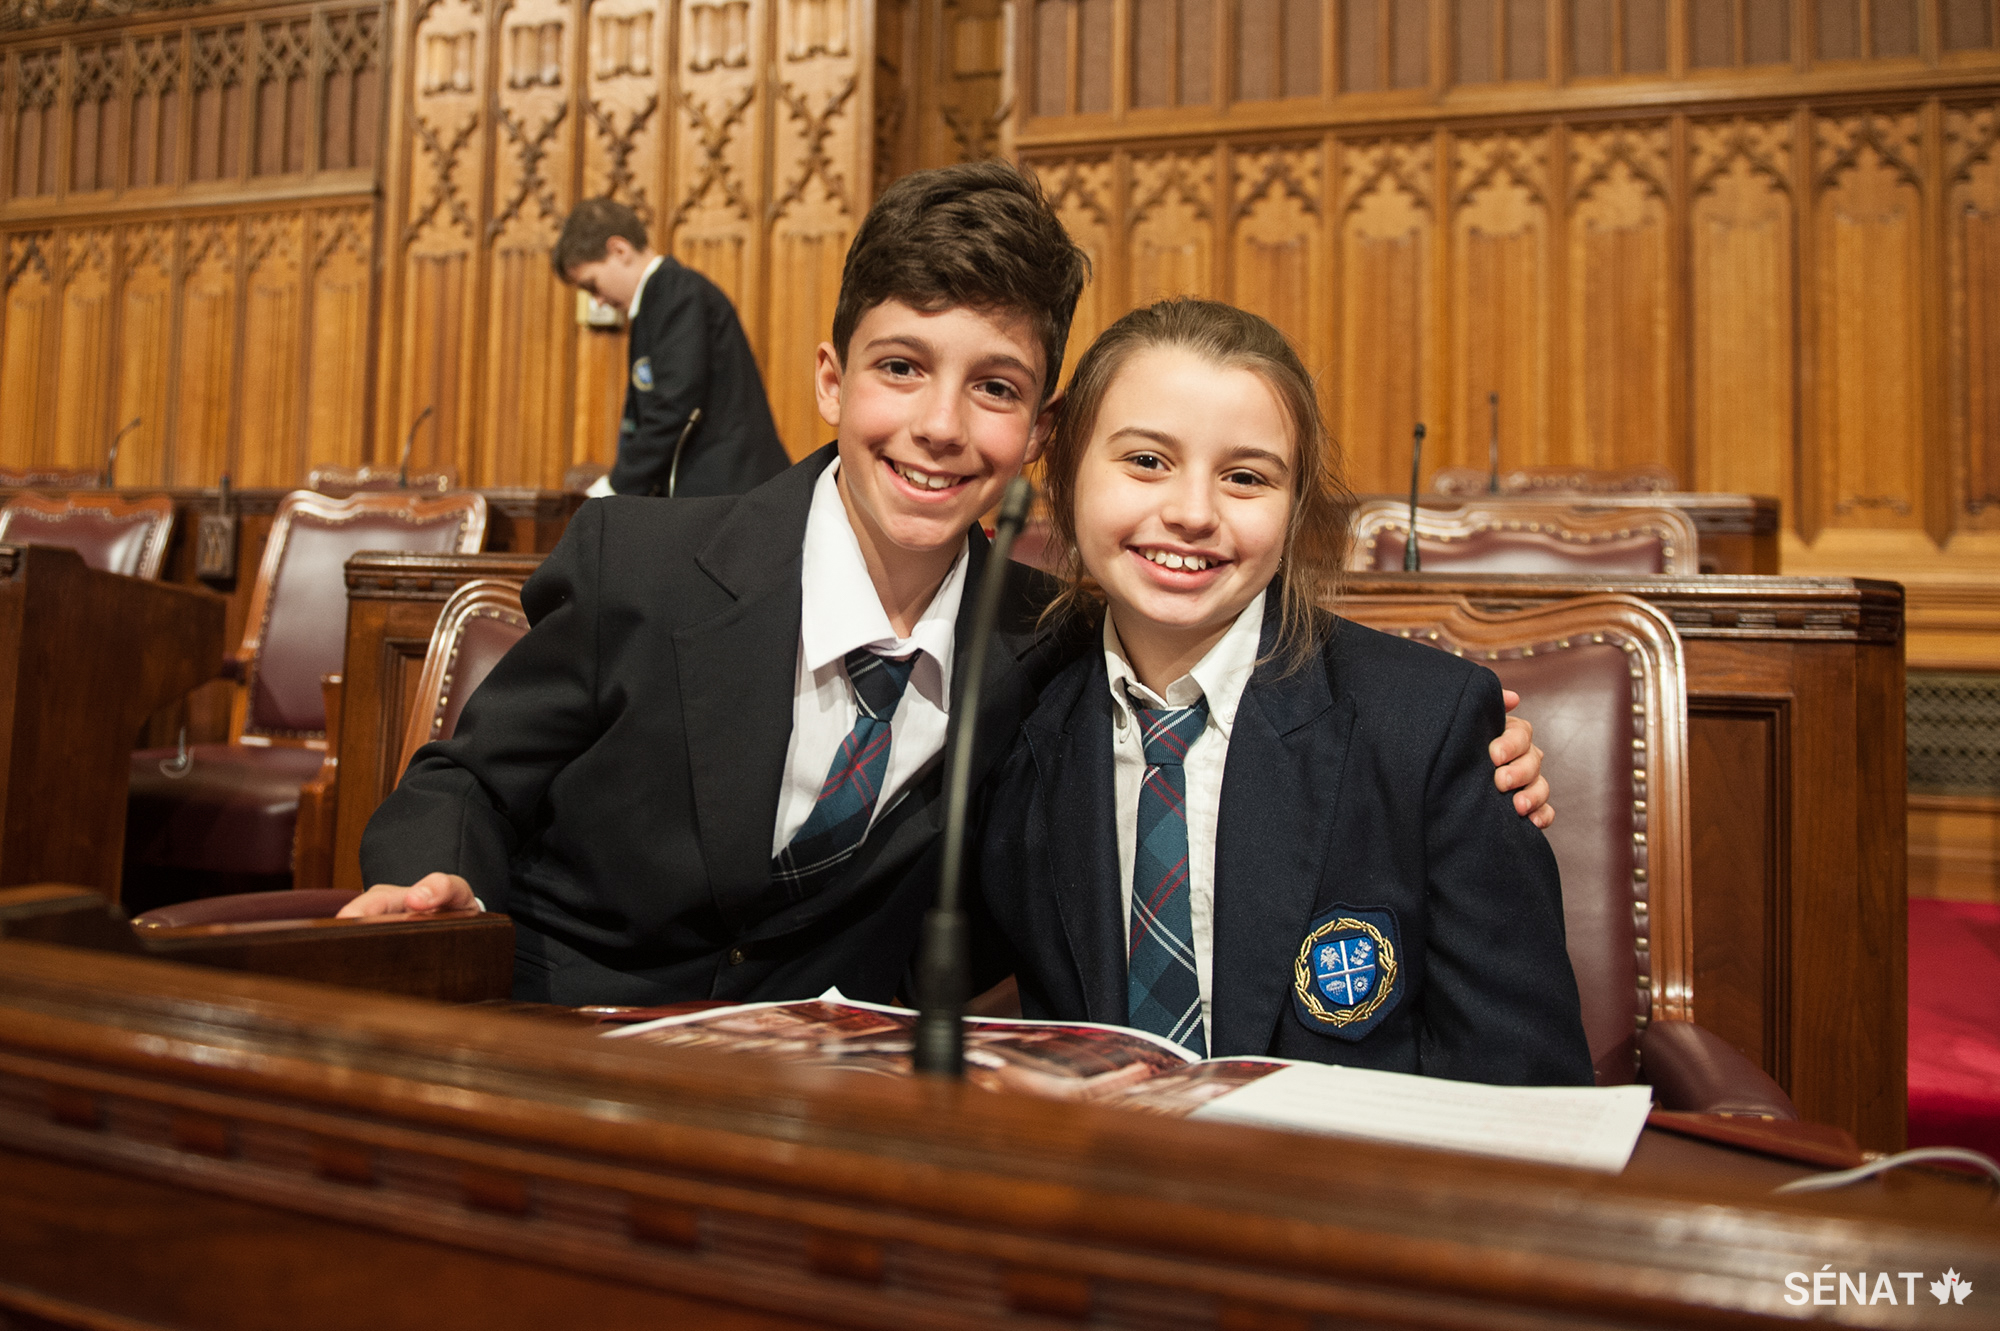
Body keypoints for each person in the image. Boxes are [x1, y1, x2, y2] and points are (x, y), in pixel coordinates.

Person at [343, 164, 1551, 1009]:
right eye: (900, 368)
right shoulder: (641, 568)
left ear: (1038, 431)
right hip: (569, 1043)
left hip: (831, 1116)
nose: (936, 427)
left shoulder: (1046, 650)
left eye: (992, 387)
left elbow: (1233, 673)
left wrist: (1467, 756)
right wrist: (426, 875)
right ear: (830, 379)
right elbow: (470, 783)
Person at [974, 298, 1591, 1085]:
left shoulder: (1428, 731)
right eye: (1146, 461)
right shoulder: (1012, 718)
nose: (1191, 513)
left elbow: (1529, 1083)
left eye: (1245, 477)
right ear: (1064, 468)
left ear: (1296, 505)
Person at [555, 198, 789, 498]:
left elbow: (675, 404)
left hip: (732, 493)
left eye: (592, 285)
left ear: (619, 250)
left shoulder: (677, 295)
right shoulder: (660, 299)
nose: (596, 301)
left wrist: (618, 486)